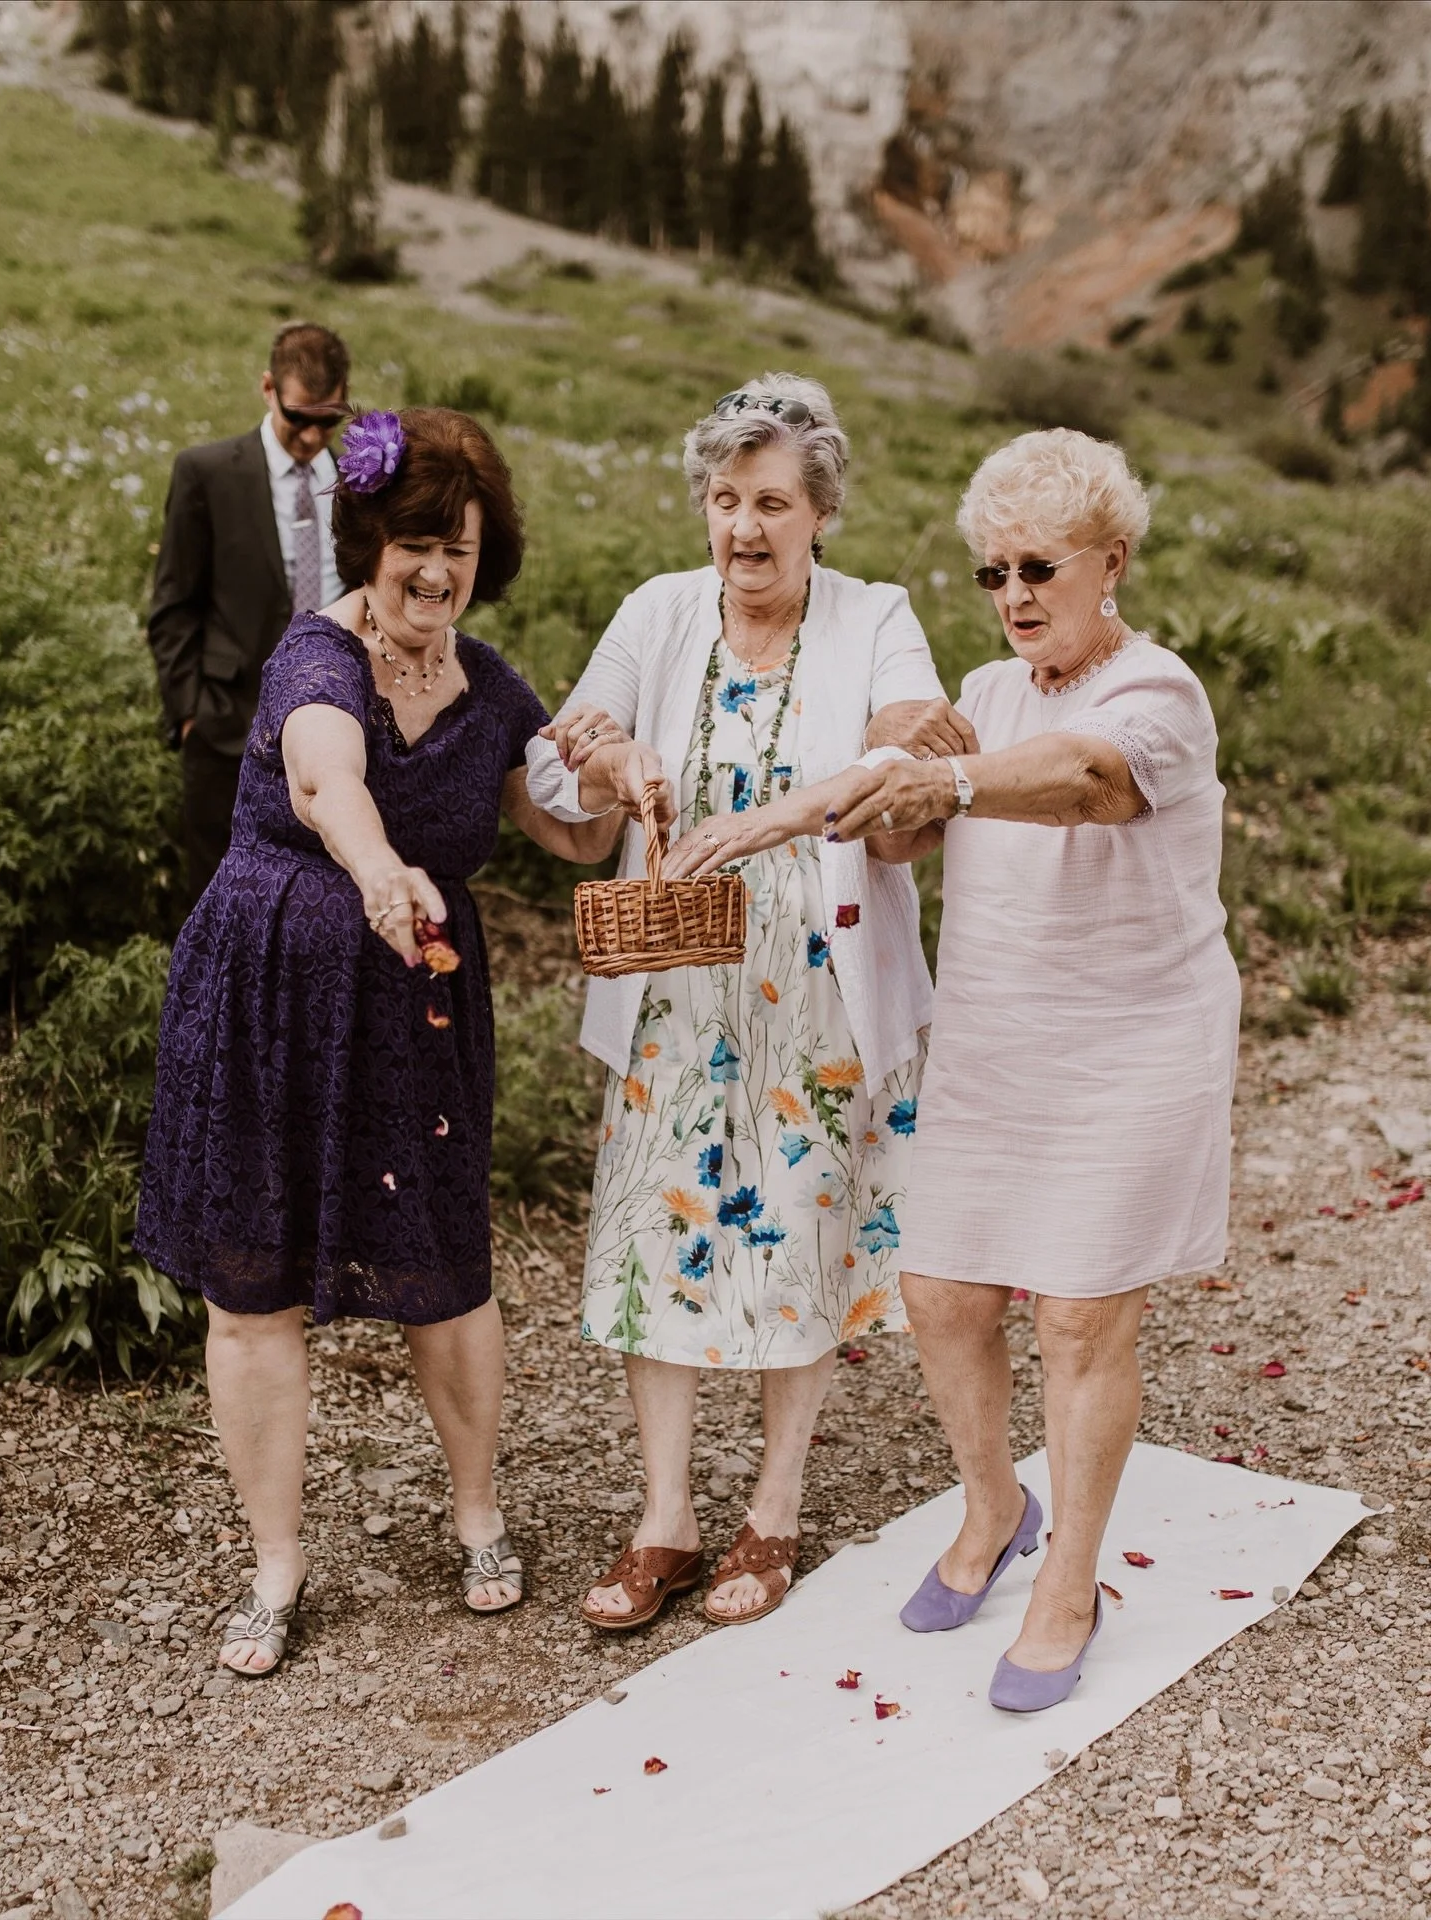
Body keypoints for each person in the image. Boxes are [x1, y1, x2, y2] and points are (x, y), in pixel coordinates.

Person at [694, 427, 1239, 1709]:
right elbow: (904, 835)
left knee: (1079, 1312)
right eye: (992, 576)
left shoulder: (1158, 692)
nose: (1014, 599)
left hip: (1133, 1042)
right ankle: (996, 1505)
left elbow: (1087, 781)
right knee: (940, 1292)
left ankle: (1073, 1580)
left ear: (1110, 562)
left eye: (1039, 568)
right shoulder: (983, 699)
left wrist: (934, 776)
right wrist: (856, 802)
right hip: (998, 1039)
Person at [136, 407, 657, 1675]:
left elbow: (573, 836)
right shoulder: (317, 657)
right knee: (254, 1293)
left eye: (460, 551)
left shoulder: (495, 690)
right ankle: (275, 1562)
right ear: (370, 540)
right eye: (416, 543)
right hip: (273, 993)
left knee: (448, 1270)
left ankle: (478, 1511)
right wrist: (377, 869)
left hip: (418, 1010)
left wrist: (619, 776)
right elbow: (327, 778)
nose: (435, 572)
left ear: (486, 562)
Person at [526, 374, 966, 1631]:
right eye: (725, 499)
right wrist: (620, 758)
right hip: (676, 990)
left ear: (820, 512)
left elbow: (904, 748)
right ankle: (665, 1516)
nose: (744, 526)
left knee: (805, 1234)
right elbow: (573, 747)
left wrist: (821, 789)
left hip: (815, 989)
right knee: (660, 1239)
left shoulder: (875, 613)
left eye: (772, 500)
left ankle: (773, 1507)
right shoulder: (661, 611)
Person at [147, 321, 352, 902]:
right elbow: (172, 607)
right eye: (299, 418)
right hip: (226, 727)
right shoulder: (206, 473)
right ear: (268, 389)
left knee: (315, 902)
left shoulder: (358, 486)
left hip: (334, 730)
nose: (313, 437)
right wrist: (190, 715)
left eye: (328, 420)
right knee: (215, 901)